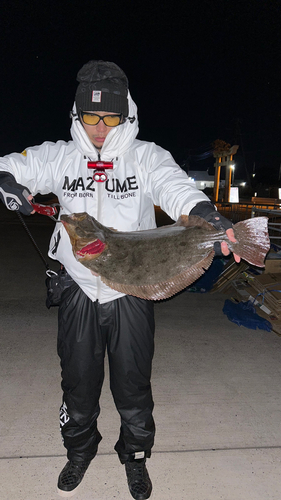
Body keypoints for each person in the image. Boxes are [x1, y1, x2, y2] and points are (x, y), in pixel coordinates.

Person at [0, 60, 239, 499]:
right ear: (77, 114)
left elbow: (176, 189)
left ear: (126, 114)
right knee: (78, 381)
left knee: (132, 383)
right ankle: (78, 451)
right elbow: (10, 165)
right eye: (91, 117)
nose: (100, 128)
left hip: (131, 287)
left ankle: (135, 455)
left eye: (111, 117)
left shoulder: (147, 157)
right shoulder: (59, 155)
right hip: (77, 286)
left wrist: (207, 216)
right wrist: (6, 181)